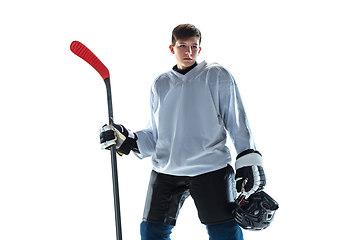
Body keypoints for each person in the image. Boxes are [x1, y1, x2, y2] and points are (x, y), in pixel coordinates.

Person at [100, 24, 266, 240]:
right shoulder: (160, 84)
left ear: (200, 49)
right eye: (183, 46)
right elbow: (156, 135)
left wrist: (248, 158)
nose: (189, 52)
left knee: (224, 233)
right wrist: (128, 140)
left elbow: (237, 121)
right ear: (172, 48)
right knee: (151, 232)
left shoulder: (216, 75)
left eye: (194, 46)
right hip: (166, 170)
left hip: (210, 168)